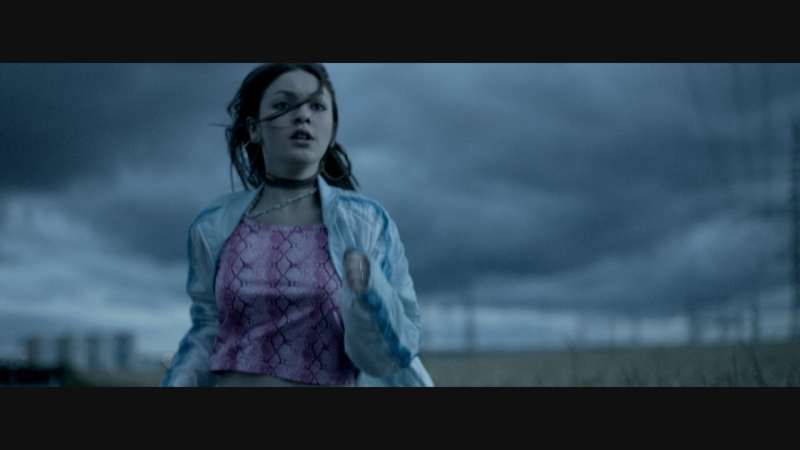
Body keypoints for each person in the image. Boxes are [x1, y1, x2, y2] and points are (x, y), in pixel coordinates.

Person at [161, 63, 433, 387]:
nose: (303, 115)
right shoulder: (214, 226)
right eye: (283, 104)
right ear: (254, 129)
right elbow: (207, 330)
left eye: (317, 106)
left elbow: (396, 350)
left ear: (332, 130)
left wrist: (370, 290)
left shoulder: (366, 224)